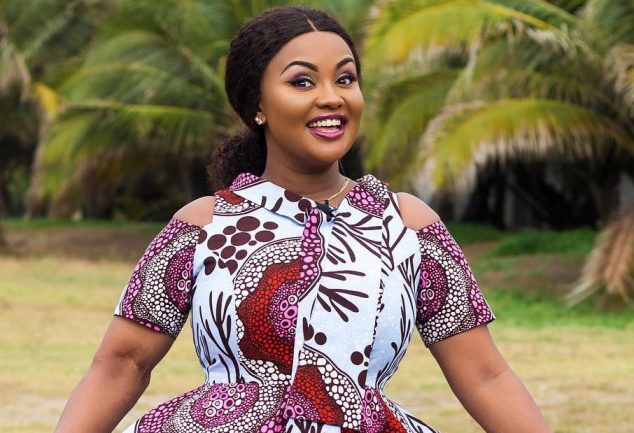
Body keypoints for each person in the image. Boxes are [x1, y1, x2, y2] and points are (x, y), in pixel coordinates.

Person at [56, 6, 552, 433]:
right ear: (257, 105)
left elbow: (486, 376)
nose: (332, 97)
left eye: (345, 78)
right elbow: (121, 364)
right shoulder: (203, 226)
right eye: (302, 81)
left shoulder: (407, 225)